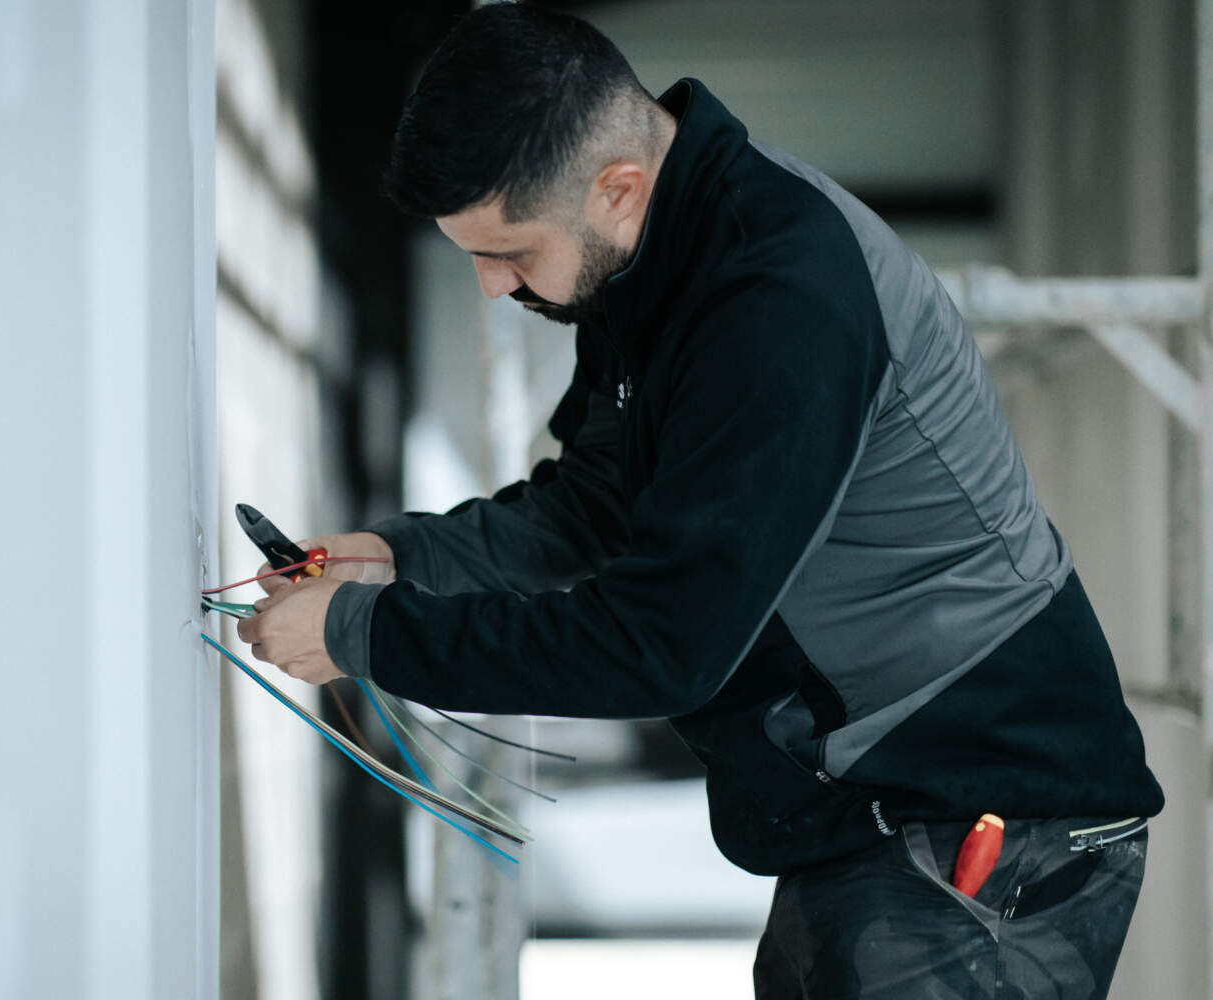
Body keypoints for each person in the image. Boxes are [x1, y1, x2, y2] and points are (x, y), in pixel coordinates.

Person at [235, 4, 1164, 996]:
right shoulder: (649, 262)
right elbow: (595, 506)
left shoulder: (782, 299)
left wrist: (366, 635)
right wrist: (400, 556)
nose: (493, 286)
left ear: (618, 189)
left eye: (509, 251)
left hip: (986, 824)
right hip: (872, 814)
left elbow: (661, 644)